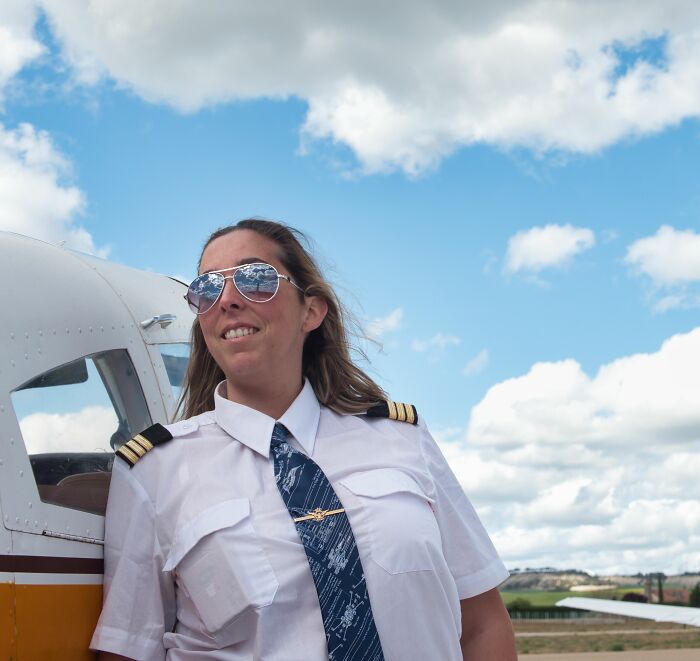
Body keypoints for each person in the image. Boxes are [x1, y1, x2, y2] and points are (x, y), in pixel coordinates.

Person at [92, 219, 516, 660]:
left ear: (311, 312)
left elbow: (483, 625)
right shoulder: (154, 470)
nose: (229, 300)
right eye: (207, 288)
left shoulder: (402, 438)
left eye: (255, 279)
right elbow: (128, 650)